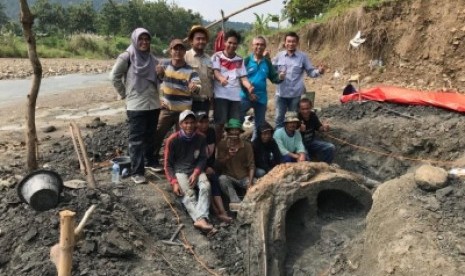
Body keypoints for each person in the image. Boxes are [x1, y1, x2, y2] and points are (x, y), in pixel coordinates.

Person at [110, 28, 160, 184]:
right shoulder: (127, 56)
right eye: (141, 39)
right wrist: (125, 93)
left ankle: (150, 162)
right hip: (136, 104)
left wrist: (162, 74)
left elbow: (158, 79)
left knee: (150, 135)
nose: (144, 42)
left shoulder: (152, 58)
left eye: (147, 39)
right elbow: (114, 77)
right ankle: (137, 171)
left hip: (153, 103)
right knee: (136, 139)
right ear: (135, 40)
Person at [151, 39, 201, 172]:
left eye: (181, 49)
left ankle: (180, 162)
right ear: (170, 50)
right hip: (167, 109)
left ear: (184, 52)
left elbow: (197, 87)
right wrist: (159, 99)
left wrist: (194, 87)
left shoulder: (190, 70)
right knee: (158, 133)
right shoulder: (164, 66)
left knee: (182, 137)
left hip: (184, 113)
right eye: (175, 49)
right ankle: (153, 158)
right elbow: (156, 83)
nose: (178, 51)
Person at [164, 110, 214, 233]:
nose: (189, 126)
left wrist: (196, 172)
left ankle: (200, 219)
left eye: (192, 122)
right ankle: (202, 219)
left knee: (206, 187)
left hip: (195, 168)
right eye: (186, 123)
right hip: (180, 170)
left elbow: (203, 158)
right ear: (181, 124)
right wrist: (174, 182)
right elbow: (167, 164)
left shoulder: (201, 138)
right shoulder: (173, 140)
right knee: (188, 194)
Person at [272, 31, 325, 128]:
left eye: (293, 41)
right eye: (288, 41)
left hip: (295, 95)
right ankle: (278, 140)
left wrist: (319, 71)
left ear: (297, 43)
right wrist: (278, 74)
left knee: (293, 119)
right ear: (285, 42)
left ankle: (293, 139)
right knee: (279, 118)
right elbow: (272, 71)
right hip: (281, 93)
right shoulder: (279, 56)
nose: (291, 44)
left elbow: (310, 72)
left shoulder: (303, 57)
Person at [211, 29, 255, 143]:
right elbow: (215, 72)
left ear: (237, 45)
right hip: (220, 96)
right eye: (229, 42)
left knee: (234, 125)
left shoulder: (239, 60)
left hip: (235, 97)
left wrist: (249, 86)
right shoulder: (217, 56)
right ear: (225, 42)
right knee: (219, 124)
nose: (232, 45)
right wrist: (221, 79)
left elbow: (243, 77)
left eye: (235, 43)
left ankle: (231, 147)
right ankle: (217, 147)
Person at [240, 36, 284, 141]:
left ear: (265, 47)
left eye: (262, 45)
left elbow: (274, 78)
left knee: (259, 125)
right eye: (257, 44)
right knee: (237, 120)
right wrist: (248, 94)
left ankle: (255, 145)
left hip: (261, 98)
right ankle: (237, 144)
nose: (259, 47)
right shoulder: (246, 61)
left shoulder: (267, 63)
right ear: (252, 46)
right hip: (245, 97)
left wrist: (280, 78)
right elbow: (240, 79)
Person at [196, 112, 232, 223]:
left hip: (208, 164)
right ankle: (216, 211)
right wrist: (205, 167)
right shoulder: (195, 135)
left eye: (206, 122)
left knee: (215, 178)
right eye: (201, 122)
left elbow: (211, 153)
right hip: (196, 166)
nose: (204, 125)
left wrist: (210, 166)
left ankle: (222, 211)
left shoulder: (211, 132)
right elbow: (194, 157)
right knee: (208, 183)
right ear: (196, 123)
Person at [216, 118, 255, 207]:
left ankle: (250, 203)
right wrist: (228, 156)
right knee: (222, 179)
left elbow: (251, 165)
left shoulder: (247, 146)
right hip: (229, 176)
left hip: (244, 177)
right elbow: (218, 164)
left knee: (257, 184)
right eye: (232, 130)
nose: (234, 133)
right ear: (228, 132)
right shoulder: (222, 144)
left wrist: (250, 183)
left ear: (240, 132)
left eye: (236, 130)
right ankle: (235, 202)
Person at [185, 25, 214, 114]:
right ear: (191, 41)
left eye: (203, 39)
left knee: (203, 127)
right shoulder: (185, 56)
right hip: (189, 101)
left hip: (205, 102)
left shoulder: (209, 59)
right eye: (198, 39)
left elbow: (211, 80)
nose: (201, 41)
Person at [298, 98, 335, 164]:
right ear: (299, 109)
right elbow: (291, 134)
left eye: (307, 108)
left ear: (311, 107)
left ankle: (325, 167)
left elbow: (319, 128)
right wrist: (299, 130)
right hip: (301, 145)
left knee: (330, 147)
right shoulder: (297, 118)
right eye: (303, 109)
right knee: (306, 160)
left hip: (311, 142)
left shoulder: (313, 115)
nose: (305, 111)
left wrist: (324, 128)